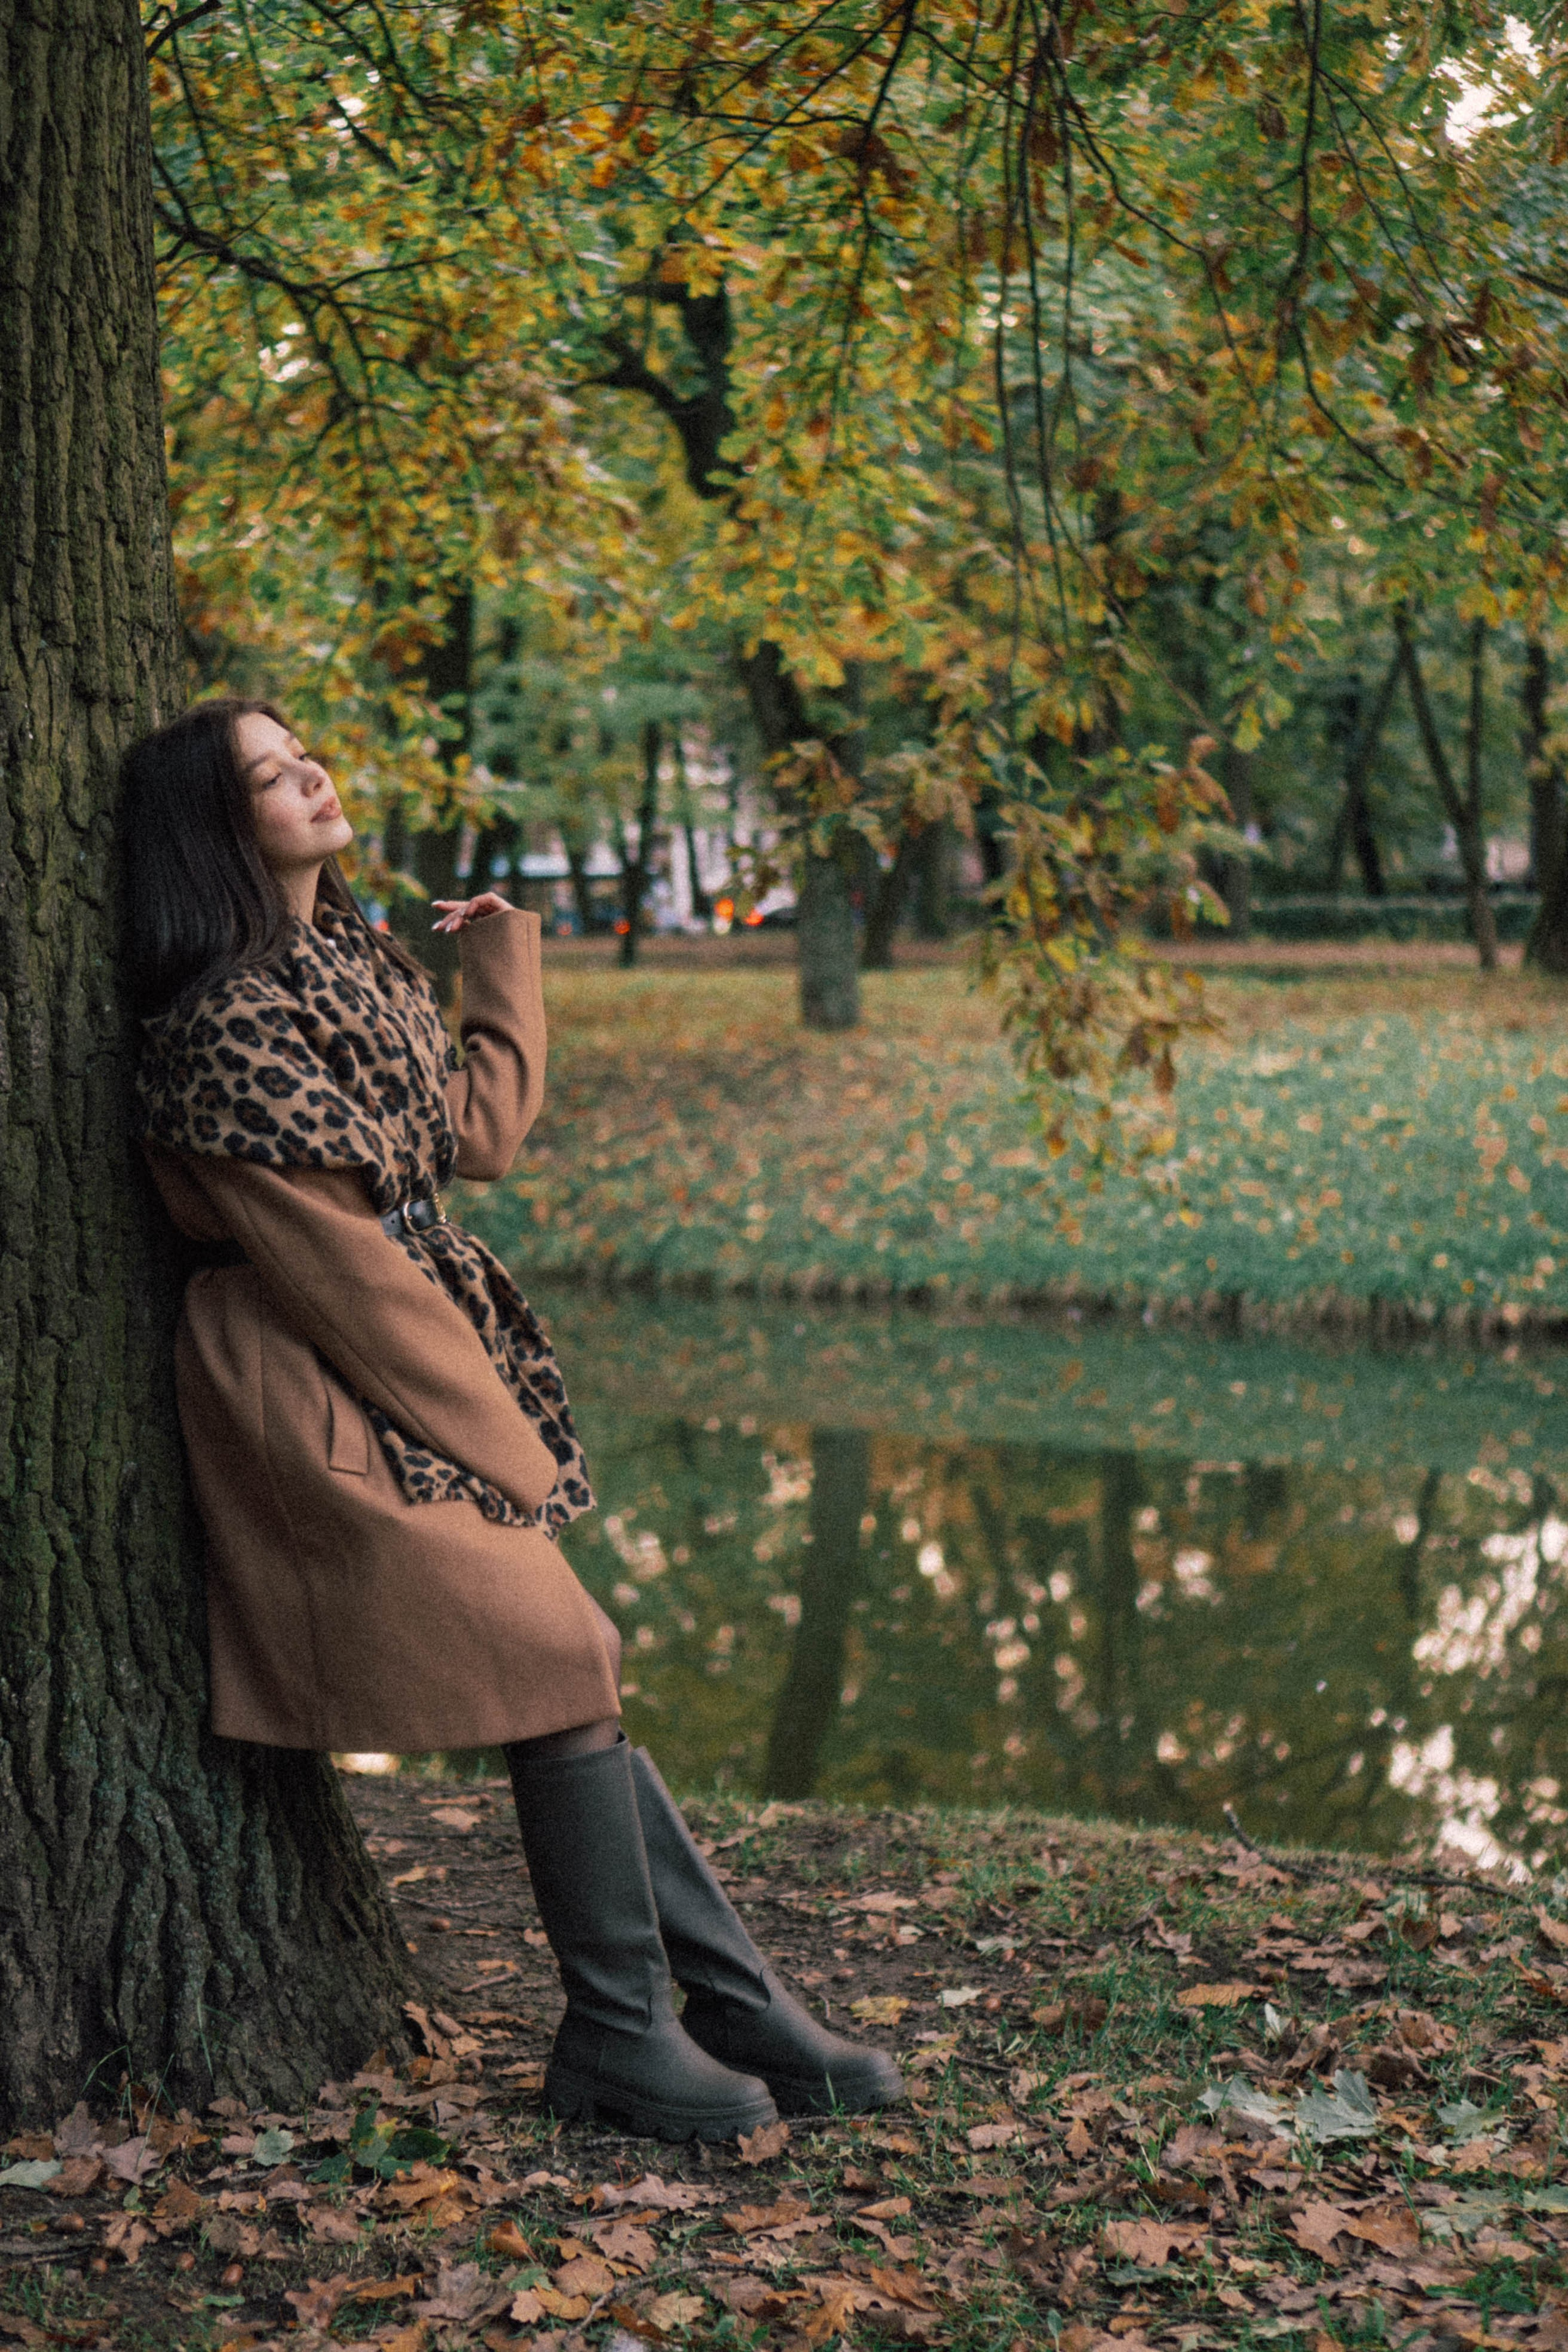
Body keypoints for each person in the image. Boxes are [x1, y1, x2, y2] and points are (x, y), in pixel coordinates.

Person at [123, 698, 902, 2142]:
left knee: (570, 1664)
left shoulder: (350, 959)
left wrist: (496, 962)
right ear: (217, 828)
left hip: (402, 1358)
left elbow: (472, 1138)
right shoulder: (222, 1021)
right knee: (559, 1650)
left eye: (302, 753)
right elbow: (346, 1275)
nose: (311, 776)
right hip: (310, 1376)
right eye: (271, 776)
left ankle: (696, 2015)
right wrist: (509, 1454)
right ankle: (640, 2025)